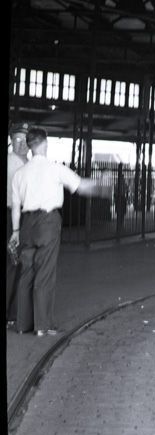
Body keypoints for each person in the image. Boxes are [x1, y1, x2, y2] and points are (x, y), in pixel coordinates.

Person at [9, 127, 102, 336]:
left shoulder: (20, 174)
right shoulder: (55, 168)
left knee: (26, 274)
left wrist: (15, 232)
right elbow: (81, 187)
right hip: (48, 222)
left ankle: (23, 325)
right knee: (45, 273)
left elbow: (15, 206)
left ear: (30, 146)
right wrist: (99, 184)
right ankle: (42, 325)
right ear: (45, 144)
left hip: (26, 224)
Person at [6, 122, 30, 326]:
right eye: (18, 140)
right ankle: (10, 314)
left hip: (19, 217)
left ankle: (14, 312)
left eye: (25, 140)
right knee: (13, 265)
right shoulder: (14, 163)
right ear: (12, 141)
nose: (22, 145)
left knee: (17, 264)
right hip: (13, 217)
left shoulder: (25, 162)